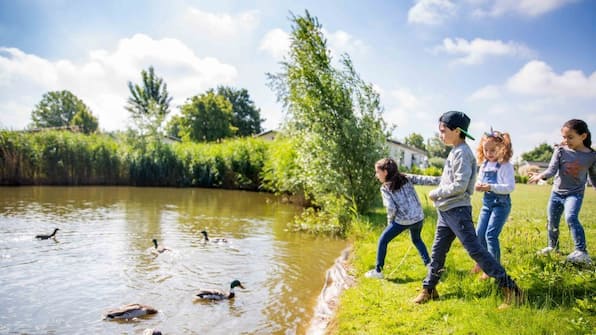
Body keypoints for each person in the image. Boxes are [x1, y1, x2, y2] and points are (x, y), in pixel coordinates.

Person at [407, 111, 522, 309]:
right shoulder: (455, 151)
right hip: (446, 211)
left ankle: (511, 289)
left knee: (475, 250)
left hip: (457, 209)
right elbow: (449, 181)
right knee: (437, 252)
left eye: (443, 131)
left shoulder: (462, 153)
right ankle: (429, 289)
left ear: (457, 131)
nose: (440, 135)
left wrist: (436, 193)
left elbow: (460, 186)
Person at [528, 119, 595, 264]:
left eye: (570, 137)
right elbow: (551, 170)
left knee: (571, 217)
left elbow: (593, 176)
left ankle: (581, 251)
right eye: (564, 137)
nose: (566, 140)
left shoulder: (591, 156)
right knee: (552, 221)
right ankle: (553, 247)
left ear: (583, 136)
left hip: (575, 194)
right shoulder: (560, 150)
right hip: (557, 193)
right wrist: (540, 175)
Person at [364, 158, 431, 279]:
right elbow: (425, 179)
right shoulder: (406, 177)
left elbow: (391, 208)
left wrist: (390, 223)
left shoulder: (385, 188)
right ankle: (430, 266)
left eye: (377, 172)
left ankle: (378, 271)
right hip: (418, 217)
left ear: (385, 172)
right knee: (417, 240)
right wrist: (444, 180)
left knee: (383, 240)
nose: (376, 175)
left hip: (403, 221)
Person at [471, 128, 515, 280]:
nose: (489, 153)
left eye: (493, 150)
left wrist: (490, 187)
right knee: (479, 234)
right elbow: (479, 180)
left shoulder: (505, 165)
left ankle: (494, 269)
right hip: (487, 204)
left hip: (501, 205)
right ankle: (483, 263)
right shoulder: (484, 165)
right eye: (486, 149)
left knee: (491, 235)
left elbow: (510, 187)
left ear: (502, 149)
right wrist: (478, 185)